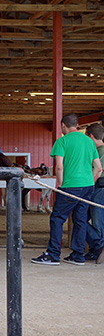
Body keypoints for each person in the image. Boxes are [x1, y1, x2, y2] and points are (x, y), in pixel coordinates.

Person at [31, 114, 102, 266]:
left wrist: (61, 185)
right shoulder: (89, 142)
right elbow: (99, 168)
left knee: (57, 219)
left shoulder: (62, 141)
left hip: (70, 186)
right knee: (80, 220)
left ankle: (54, 254)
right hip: (88, 186)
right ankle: (78, 256)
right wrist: (90, 181)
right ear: (77, 125)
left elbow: (59, 166)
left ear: (63, 125)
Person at [84, 123, 104, 262]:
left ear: (91, 137)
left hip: (99, 188)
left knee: (95, 222)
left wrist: (88, 187)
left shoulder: (98, 152)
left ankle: (98, 247)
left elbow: (98, 170)